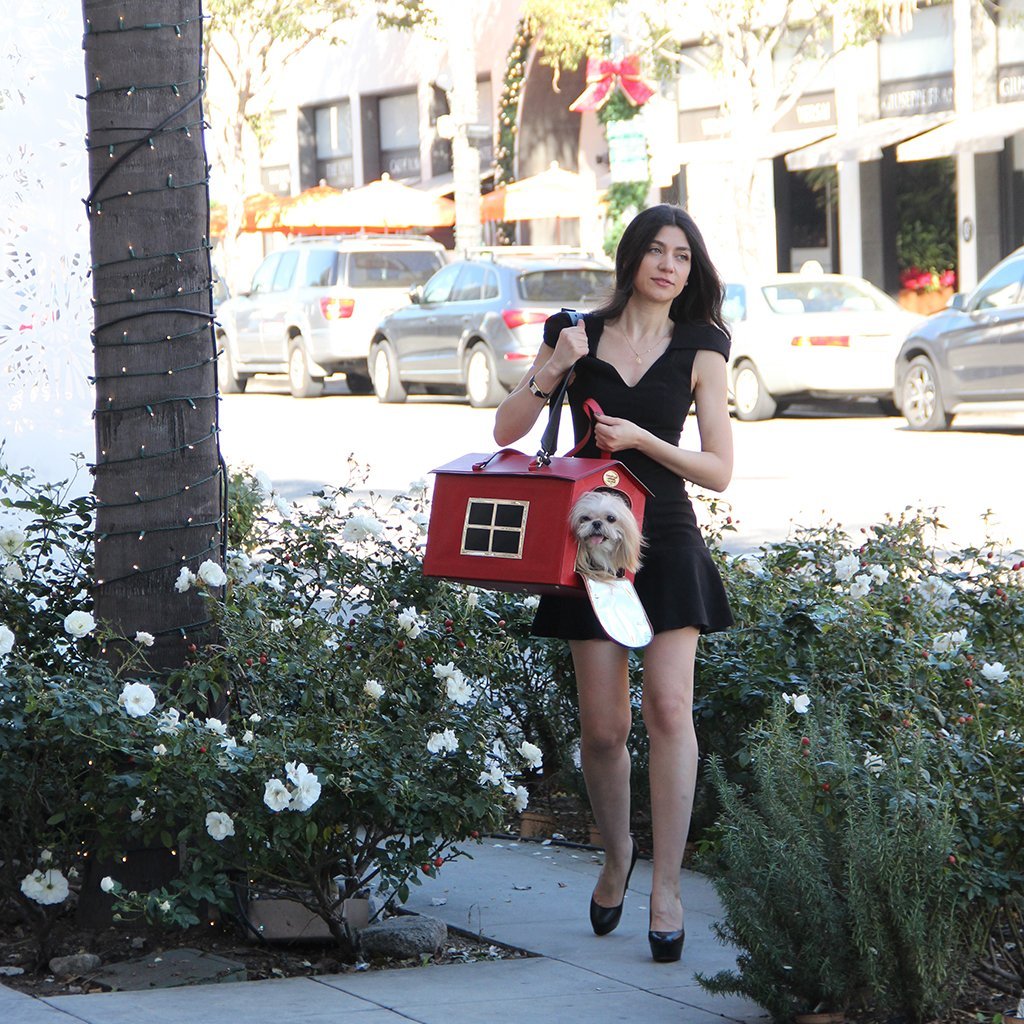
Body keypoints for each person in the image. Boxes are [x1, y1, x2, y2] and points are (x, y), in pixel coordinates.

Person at [493, 204, 734, 963]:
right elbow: (504, 432)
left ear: (692, 271)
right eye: (656, 251)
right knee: (603, 730)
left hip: (667, 535)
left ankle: (667, 887)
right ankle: (618, 852)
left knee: (669, 710)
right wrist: (553, 368)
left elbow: (719, 470)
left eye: (682, 256)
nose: (668, 266)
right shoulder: (576, 333)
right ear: (631, 259)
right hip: (591, 544)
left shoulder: (703, 345)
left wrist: (642, 440)